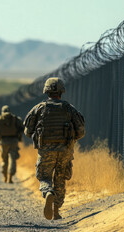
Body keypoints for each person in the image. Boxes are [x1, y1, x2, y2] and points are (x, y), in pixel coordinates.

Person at [23, 77, 85, 220]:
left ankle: (47, 192)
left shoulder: (39, 108)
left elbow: (27, 132)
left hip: (46, 150)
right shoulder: (69, 108)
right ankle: (56, 211)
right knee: (60, 178)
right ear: (61, 91)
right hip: (65, 150)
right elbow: (81, 131)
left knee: (44, 176)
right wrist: (71, 140)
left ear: (46, 91)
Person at [0, 105, 24, 183]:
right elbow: (23, 128)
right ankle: (10, 177)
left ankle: (4, 176)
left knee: (4, 159)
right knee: (12, 159)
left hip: (3, 141)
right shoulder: (16, 119)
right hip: (14, 141)